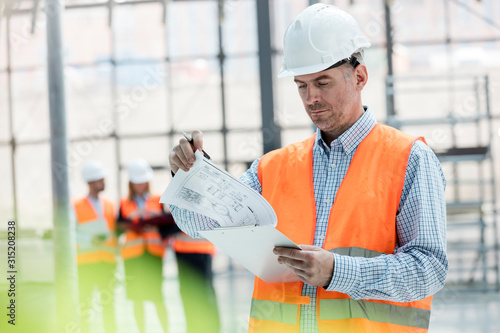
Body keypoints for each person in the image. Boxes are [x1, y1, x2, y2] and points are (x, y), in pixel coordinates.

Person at [168, 4, 447, 333]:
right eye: (302, 85)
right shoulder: (272, 167)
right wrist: (190, 178)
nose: (311, 98)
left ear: (359, 77)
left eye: (323, 83)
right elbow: (200, 225)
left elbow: (428, 269)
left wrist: (335, 272)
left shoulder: (410, 158)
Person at [118, 158, 175, 333]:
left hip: (153, 255)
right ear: (131, 184)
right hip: (133, 256)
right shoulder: (124, 203)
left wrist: (154, 224)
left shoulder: (158, 199)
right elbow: (118, 225)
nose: (141, 185)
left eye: (144, 181)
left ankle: (166, 330)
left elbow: (168, 222)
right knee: (137, 298)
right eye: (138, 182)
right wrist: (132, 225)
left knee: (157, 297)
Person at [73, 160, 117, 333]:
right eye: (100, 179)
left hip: (107, 262)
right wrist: (90, 240)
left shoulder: (110, 205)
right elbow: (69, 234)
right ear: (90, 182)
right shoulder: (75, 206)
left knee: (109, 305)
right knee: (85, 304)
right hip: (86, 263)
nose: (104, 182)